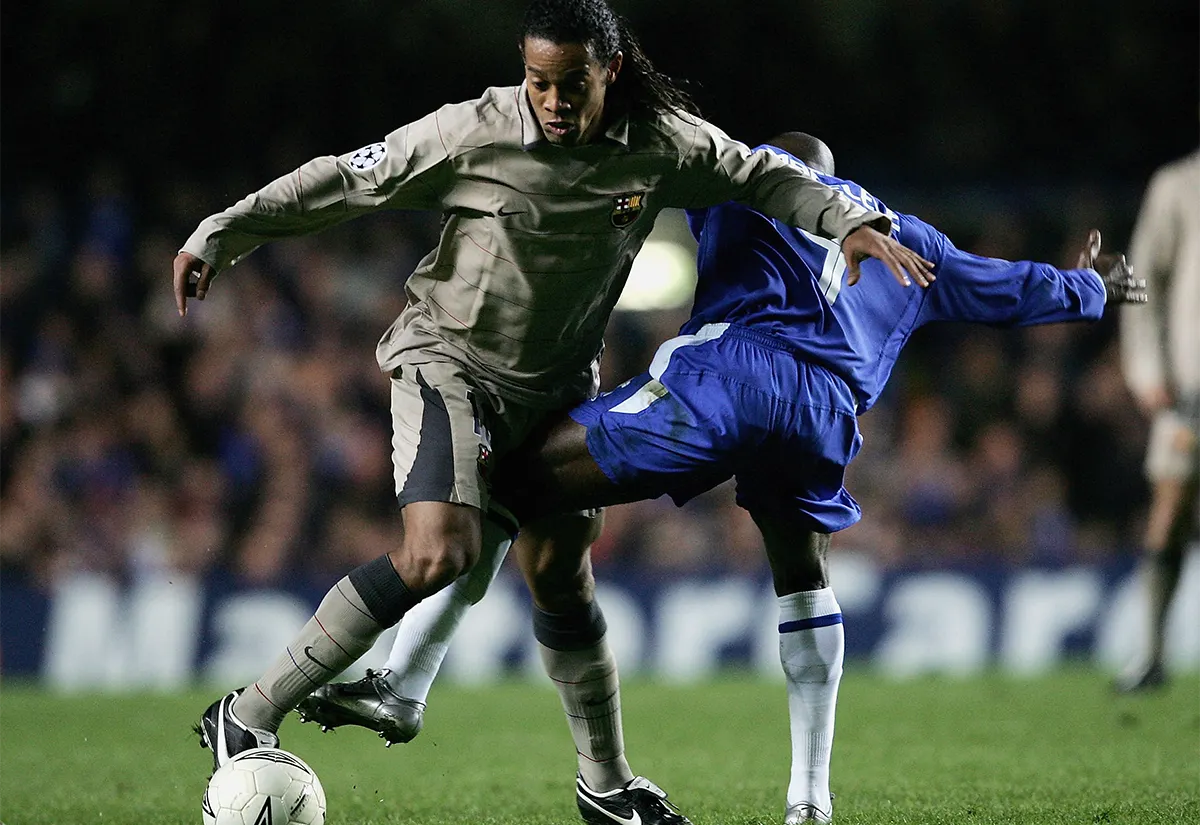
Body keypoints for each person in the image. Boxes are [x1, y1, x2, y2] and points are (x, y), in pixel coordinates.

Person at [176, 0, 934, 821]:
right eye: (539, 81)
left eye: (571, 84)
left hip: (560, 386)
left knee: (562, 579)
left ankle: (604, 786)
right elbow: (347, 179)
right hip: (450, 365)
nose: (554, 101)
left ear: (609, 70)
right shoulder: (472, 132)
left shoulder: (660, 142)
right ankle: (248, 708)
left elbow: (759, 175)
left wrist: (850, 218)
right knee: (439, 552)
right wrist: (225, 229)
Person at [298, 132, 1145, 824]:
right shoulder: (907, 235)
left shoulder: (742, 182)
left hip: (728, 378)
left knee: (506, 479)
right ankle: (809, 798)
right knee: (801, 570)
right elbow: (1002, 289)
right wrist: (1092, 287)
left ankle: (405, 681)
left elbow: (641, 170)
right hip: (826, 410)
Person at [1115, 116, 1200, 693]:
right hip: (1190, 387)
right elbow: (1138, 278)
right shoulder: (1179, 185)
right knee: (1170, 512)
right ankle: (1152, 652)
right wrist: (1147, 367)